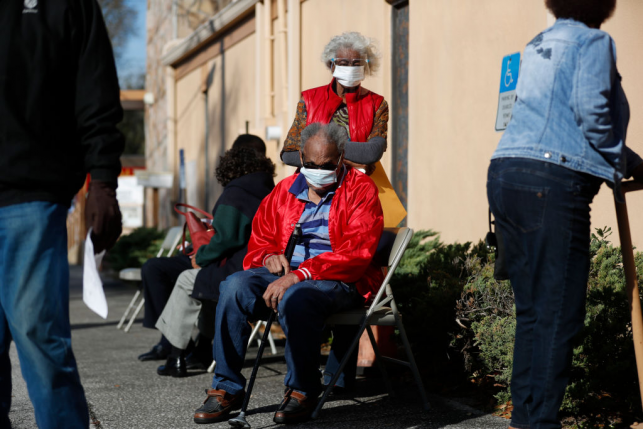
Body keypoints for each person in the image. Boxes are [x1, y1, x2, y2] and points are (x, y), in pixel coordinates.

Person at [487, 1, 643, 427]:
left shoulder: (538, 43)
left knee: (533, 310)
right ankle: (540, 423)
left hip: (505, 174)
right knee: (559, 310)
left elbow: (560, 119)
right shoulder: (594, 41)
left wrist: (630, 162)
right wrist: (618, 161)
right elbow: (592, 116)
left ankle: (526, 417)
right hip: (551, 181)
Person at [193, 122, 383, 425]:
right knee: (233, 287)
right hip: (287, 274)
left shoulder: (361, 191)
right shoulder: (284, 190)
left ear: (342, 157)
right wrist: (268, 256)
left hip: (338, 279)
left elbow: (356, 253)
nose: (318, 170)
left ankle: (302, 390)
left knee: (296, 297)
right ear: (302, 158)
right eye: (311, 164)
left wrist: (302, 274)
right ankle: (225, 388)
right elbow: (260, 238)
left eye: (327, 165)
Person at [0, 1, 124, 427]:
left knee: (39, 339)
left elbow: (95, 90)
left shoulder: (66, 4)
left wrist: (103, 182)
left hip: (31, 195)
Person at [280, 30, 402, 391]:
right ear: (330, 64)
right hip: (316, 199)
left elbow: (374, 152)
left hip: (365, 196)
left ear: (367, 66)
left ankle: (339, 374)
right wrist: (340, 157)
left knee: (357, 276)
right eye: (343, 62)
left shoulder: (378, 102)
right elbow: (288, 153)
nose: (349, 68)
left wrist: (327, 154)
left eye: (356, 62)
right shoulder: (309, 99)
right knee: (316, 275)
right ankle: (309, 376)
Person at [138, 134, 270, 363]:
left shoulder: (238, 191)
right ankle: (185, 345)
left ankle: (174, 349)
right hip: (240, 261)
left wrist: (200, 256)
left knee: (174, 274)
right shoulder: (268, 187)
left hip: (224, 261)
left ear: (233, 158)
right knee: (159, 269)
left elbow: (227, 238)